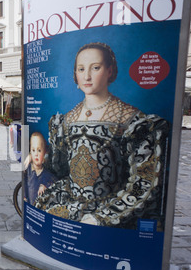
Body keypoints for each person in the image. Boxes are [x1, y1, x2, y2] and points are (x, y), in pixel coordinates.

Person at [33, 42, 169, 230]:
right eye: (81, 69)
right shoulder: (66, 120)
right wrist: (36, 158)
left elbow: (143, 182)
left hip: (111, 208)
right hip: (69, 202)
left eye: (95, 68)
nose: (87, 76)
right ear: (75, 74)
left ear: (110, 71)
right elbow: (60, 168)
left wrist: (101, 218)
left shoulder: (133, 120)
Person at [23, 132, 56, 203]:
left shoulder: (47, 174)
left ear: (44, 153)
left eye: (39, 150)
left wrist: (45, 186)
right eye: (33, 150)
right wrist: (24, 196)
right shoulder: (28, 169)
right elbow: (24, 181)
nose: (36, 154)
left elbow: (55, 183)